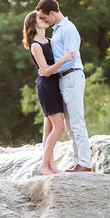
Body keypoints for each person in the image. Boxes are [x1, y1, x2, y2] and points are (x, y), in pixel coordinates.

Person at [35, 0, 92, 172]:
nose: (44, 21)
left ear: (52, 13)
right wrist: (52, 70)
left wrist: (49, 70)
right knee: (69, 125)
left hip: (72, 75)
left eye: (45, 18)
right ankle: (78, 162)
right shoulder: (57, 31)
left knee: (76, 122)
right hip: (62, 78)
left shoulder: (68, 29)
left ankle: (85, 163)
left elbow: (71, 58)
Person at [23, 10, 77, 175]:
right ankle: (43, 165)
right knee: (59, 127)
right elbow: (45, 71)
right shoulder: (35, 45)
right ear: (33, 23)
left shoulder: (48, 40)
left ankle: (51, 166)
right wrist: (63, 60)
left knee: (48, 129)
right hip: (46, 87)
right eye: (40, 18)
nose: (45, 19)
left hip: (55, 86)